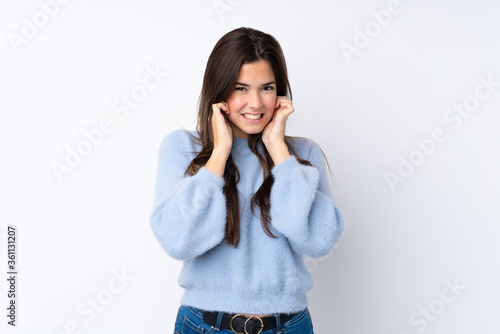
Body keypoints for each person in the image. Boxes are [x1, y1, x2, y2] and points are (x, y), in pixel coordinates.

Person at [149, 27, 345, 334]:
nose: (255, 103)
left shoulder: (301, 154)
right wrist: (219, 154)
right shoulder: (182, 148)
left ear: (280, 92)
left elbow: (318, 241)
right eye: (241, 88)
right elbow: (179, 241)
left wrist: (279, 151)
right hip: (204, 325)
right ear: (220, 90)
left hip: (289, 325)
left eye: (266, 88)